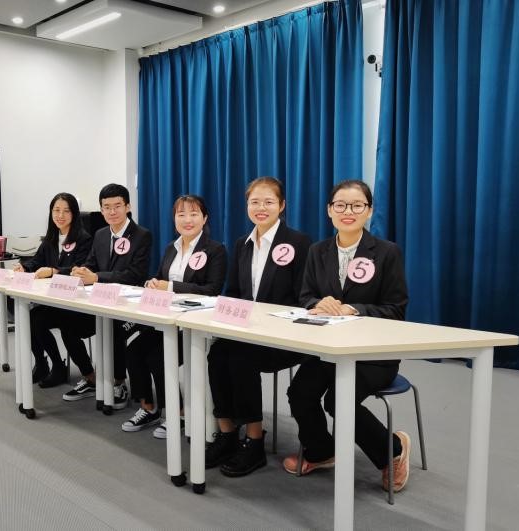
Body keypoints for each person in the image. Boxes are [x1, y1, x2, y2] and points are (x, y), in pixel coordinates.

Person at [284, 179, 411, 494]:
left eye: (357, 205)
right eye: (340, 205)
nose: (348, 211)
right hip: (329, 349)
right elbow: (306, 296)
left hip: (373, 353)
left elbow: (396, 309)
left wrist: (354, 309)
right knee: (299, 393)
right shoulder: (318, 251)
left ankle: (393, 450)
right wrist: (318, 304)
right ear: (329, 210)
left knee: (338, 401)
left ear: (369, 211)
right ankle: (321, 451)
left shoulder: (387, 252)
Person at [205, 177, 312, 477]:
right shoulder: (242, 244)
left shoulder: (298, 242)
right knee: (217, 354)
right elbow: (234, 292)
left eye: (268, 202)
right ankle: (227, 433)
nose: (261, 208)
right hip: (247, 332)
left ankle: (254, 441)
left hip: (285, 337)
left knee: (241, 358)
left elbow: (304, 297)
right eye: (254, 202)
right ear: (246, 206)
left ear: (282, 205)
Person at [121, 195, 227, 438]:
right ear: (174, 219)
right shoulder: (171, 248)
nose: (187, 220)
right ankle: (148, 407)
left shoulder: (215, 250)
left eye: (194, 214)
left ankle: (177, 413)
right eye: (181, 215)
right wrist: (153, 284)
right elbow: (160, 278)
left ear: (205, 218)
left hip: (196, 324)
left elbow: (212, 290)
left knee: (159, 356)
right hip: (168, 321)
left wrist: (169, 287)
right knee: (134, 349)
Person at [65, 183, 152, 411]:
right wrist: (81, 271)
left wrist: (96, 277)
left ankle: (119, 382)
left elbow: (135, 275)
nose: (112, 212)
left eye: (117, 206)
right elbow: (91, 264)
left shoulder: (142, 235)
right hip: (99, 302)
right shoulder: (101, 234)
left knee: (114, 329)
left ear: (128, 207)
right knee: (67, 323)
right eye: (107, 207)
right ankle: (90, 376)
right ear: (101, 209)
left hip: (128, 306)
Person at [14, 193, 93, 388]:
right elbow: (36, 261)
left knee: (44, 321)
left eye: (66, 211)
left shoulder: (84, 239)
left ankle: (65, 368)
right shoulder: (51, 238)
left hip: (76, 302)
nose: (60, 215)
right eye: (56, 210)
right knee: (30, 318)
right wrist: (24, 267)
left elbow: (80, 268)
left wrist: (53, 271)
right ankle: (44, 364)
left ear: (74, 214)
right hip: (54, 299)